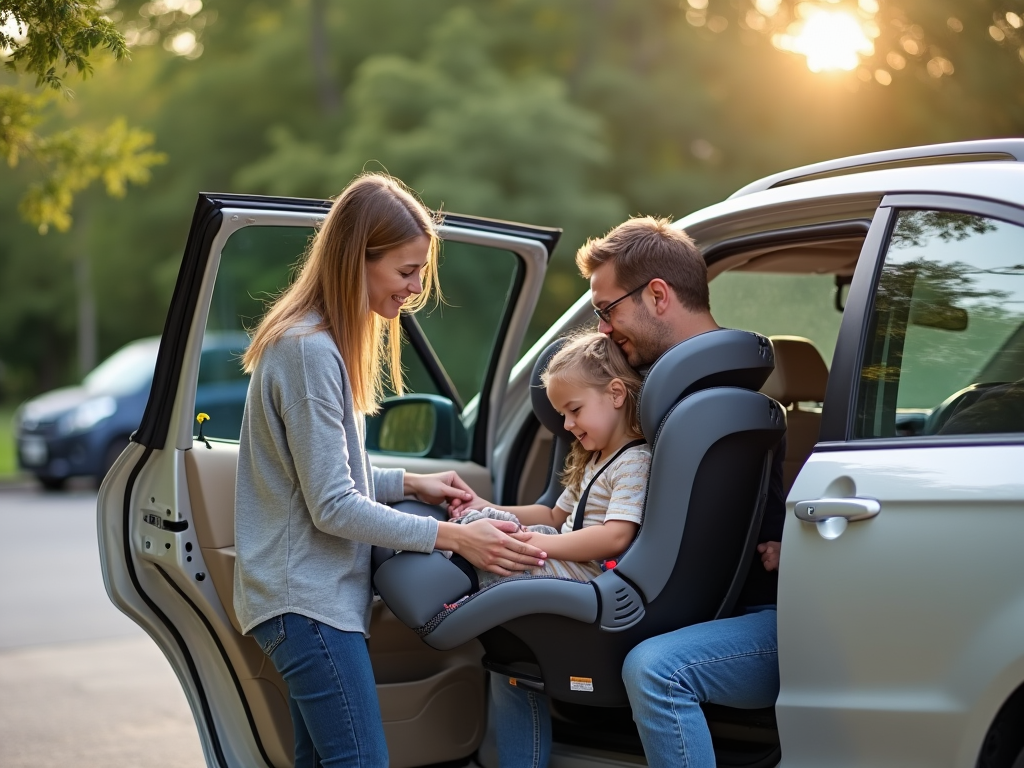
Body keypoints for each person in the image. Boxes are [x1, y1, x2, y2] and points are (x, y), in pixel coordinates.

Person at [232, 173, 548, 768]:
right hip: (306, 604)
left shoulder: (316, 345)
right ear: (359, 259)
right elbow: (332, 508)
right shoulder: (308, 352)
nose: (416, 287)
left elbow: (328, 480)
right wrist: (458, 538)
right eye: (406, 271)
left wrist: (409, 483)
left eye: (420, 271)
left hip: (304, 601)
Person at [490, 216, 786, 768]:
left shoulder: (710, 410)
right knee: (515, 645)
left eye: (606, 310)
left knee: (656, 668)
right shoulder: (667, 405)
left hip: (758, 615)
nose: (601, 328)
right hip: (690, 608)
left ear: (657, 294)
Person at [447, 331, 652, 587]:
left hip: (587, 575)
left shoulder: (634, 462)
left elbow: (615, 538)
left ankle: (453, 575)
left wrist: (535, 542)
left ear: (616, 394)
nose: (567, 425)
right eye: (562, 414)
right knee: (486, 521)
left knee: (501, 547)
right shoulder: (594, 458)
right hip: (563, 561)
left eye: (574, 410)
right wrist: (487, 507)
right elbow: (554, 516)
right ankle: (452, 554)